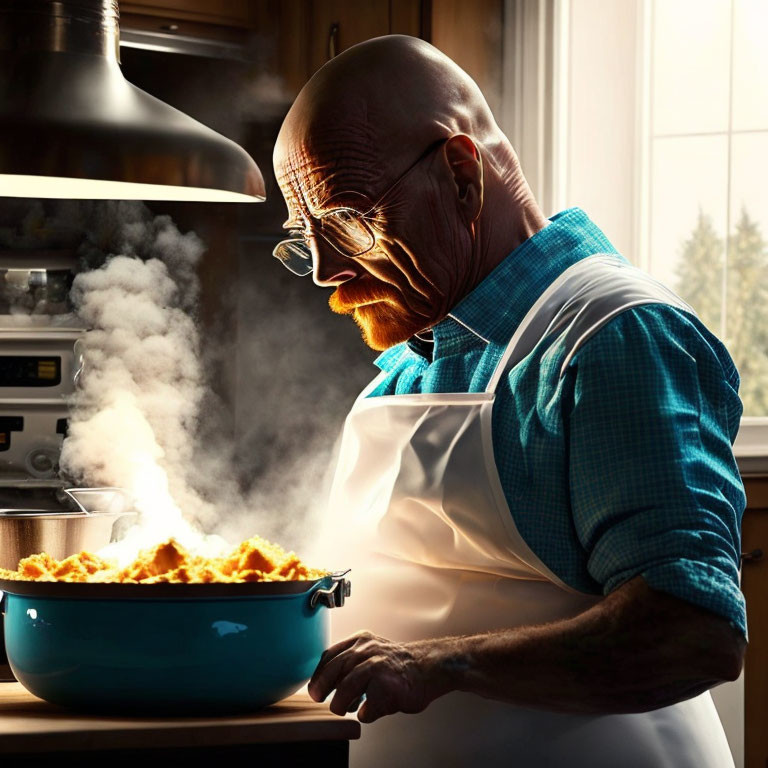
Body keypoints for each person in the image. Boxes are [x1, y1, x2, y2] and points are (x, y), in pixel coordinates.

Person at [272, 34, 746, 768]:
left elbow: (692, 631)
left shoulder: (615, 336)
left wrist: (440, 664)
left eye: (345, 222)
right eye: (306, 237)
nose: (326, 271)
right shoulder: (406, 364)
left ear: (462, 176)